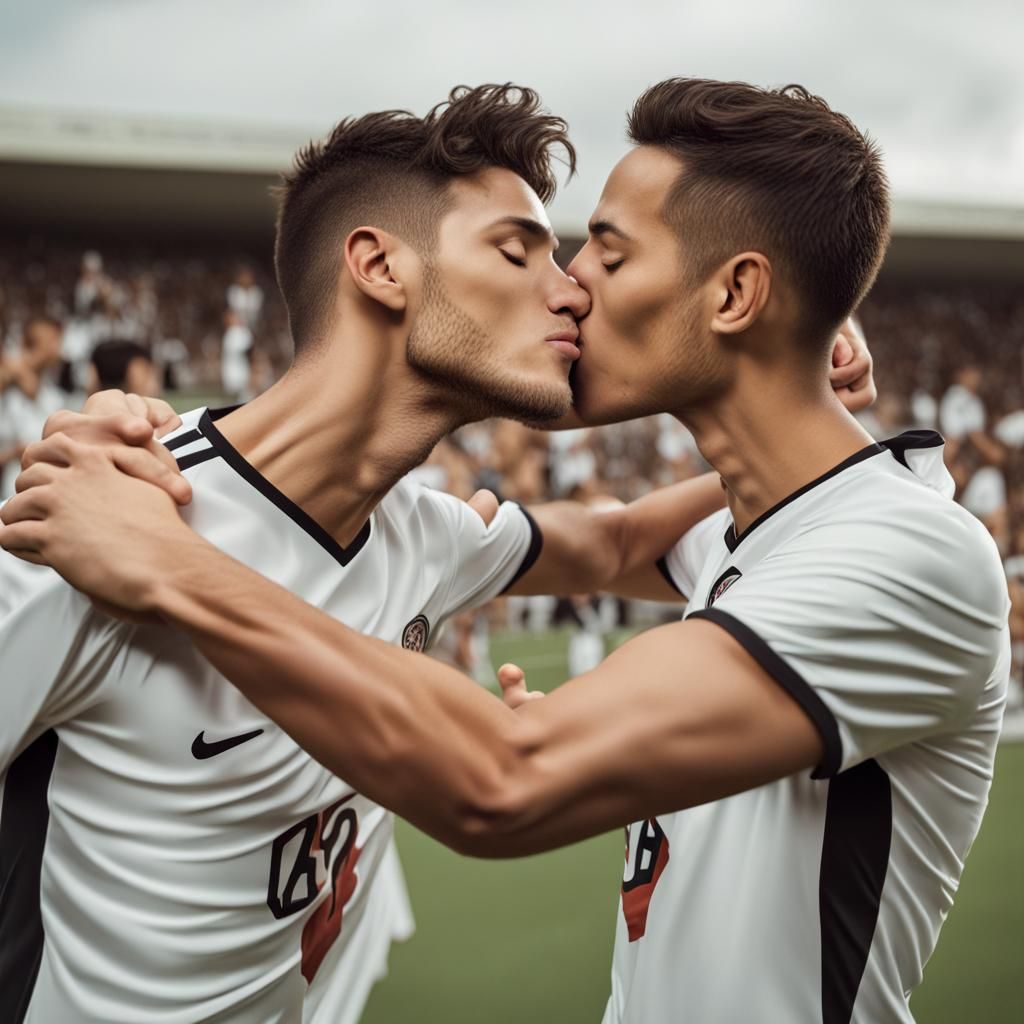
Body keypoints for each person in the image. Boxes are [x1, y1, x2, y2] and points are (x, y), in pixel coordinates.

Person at [3, 82, 894, 1024]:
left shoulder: (424, 538)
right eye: (518, 251)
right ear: (380, 267)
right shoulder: (94, 522)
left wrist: (791, 370)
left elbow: (617, 541)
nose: (572, 290)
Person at [0, 316, 70, 498]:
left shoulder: (52, 393)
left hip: (45, 488)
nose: (58, 348)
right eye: (53, 340)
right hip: (11, 490)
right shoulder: (8, 382)